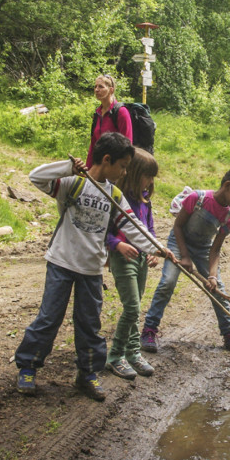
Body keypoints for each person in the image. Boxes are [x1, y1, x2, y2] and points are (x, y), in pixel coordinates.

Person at [14, 132, 169, 401]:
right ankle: (28, 367)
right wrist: (67, 168)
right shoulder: (73, 184)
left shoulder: (114, 196)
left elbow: (134, 229)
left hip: (92, 270)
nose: (123, 172)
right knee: (49, 318)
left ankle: (87, 374)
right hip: (62, 263)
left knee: (89, 324)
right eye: (121, 166)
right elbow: (36, 177)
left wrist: (158, 248)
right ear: (106, 160)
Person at [140, 163, 230, 355]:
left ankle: (229, 335)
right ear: (227, 185)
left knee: (219, 291)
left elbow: (215, 249)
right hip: (179, 243)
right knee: (167, 282)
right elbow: (177, 227)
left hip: (203, 249)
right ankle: (149, 330)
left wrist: (211, 276)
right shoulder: (197, 198)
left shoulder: (229, 216)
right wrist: (184, 256)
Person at [104, 150, 160, 381]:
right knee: (132, 307)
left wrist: (154, 251)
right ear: (135, 174)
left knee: (135, 307)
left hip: (141, 259)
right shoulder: (115, 199)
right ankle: (115, 356)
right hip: (123, 258)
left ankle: (133, 352)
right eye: (147, 176)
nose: (150, 182)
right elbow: (103, 231)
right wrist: (117, 245)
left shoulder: (145, 200)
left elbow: (149, 231)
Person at [86, 73, 132, 168]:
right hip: (100, 165)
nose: (96, 90)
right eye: (95, 87)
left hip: (114, 166)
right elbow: (94, 145)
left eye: (101, 87)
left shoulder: (121, 112)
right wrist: (88, 168)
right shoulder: (97, 113)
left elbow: (128, 144)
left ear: (111, 90)